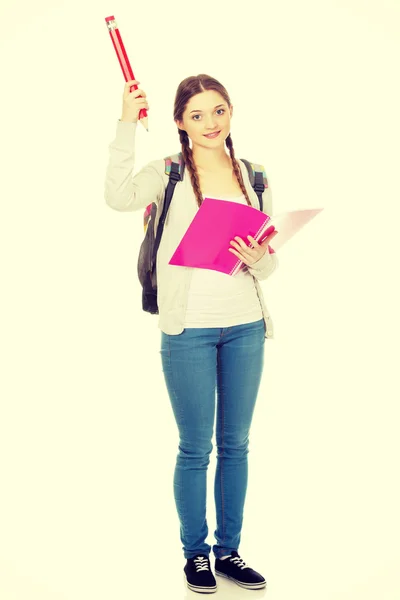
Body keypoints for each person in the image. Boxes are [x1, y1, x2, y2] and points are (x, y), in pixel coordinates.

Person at [104, 74, 279, 594]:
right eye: (197, 114)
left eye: (219, 110)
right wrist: (125, 124)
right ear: (180, 121)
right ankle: (195, 554)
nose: (211, 123)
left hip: (245, 324)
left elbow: (269, 258)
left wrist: (260, 259)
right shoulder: (169, 172)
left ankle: (229, 552)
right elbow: (116, 196)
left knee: (237, 445)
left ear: (231, 113)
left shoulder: (256, 175)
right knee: (195, 448)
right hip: (189, 331)